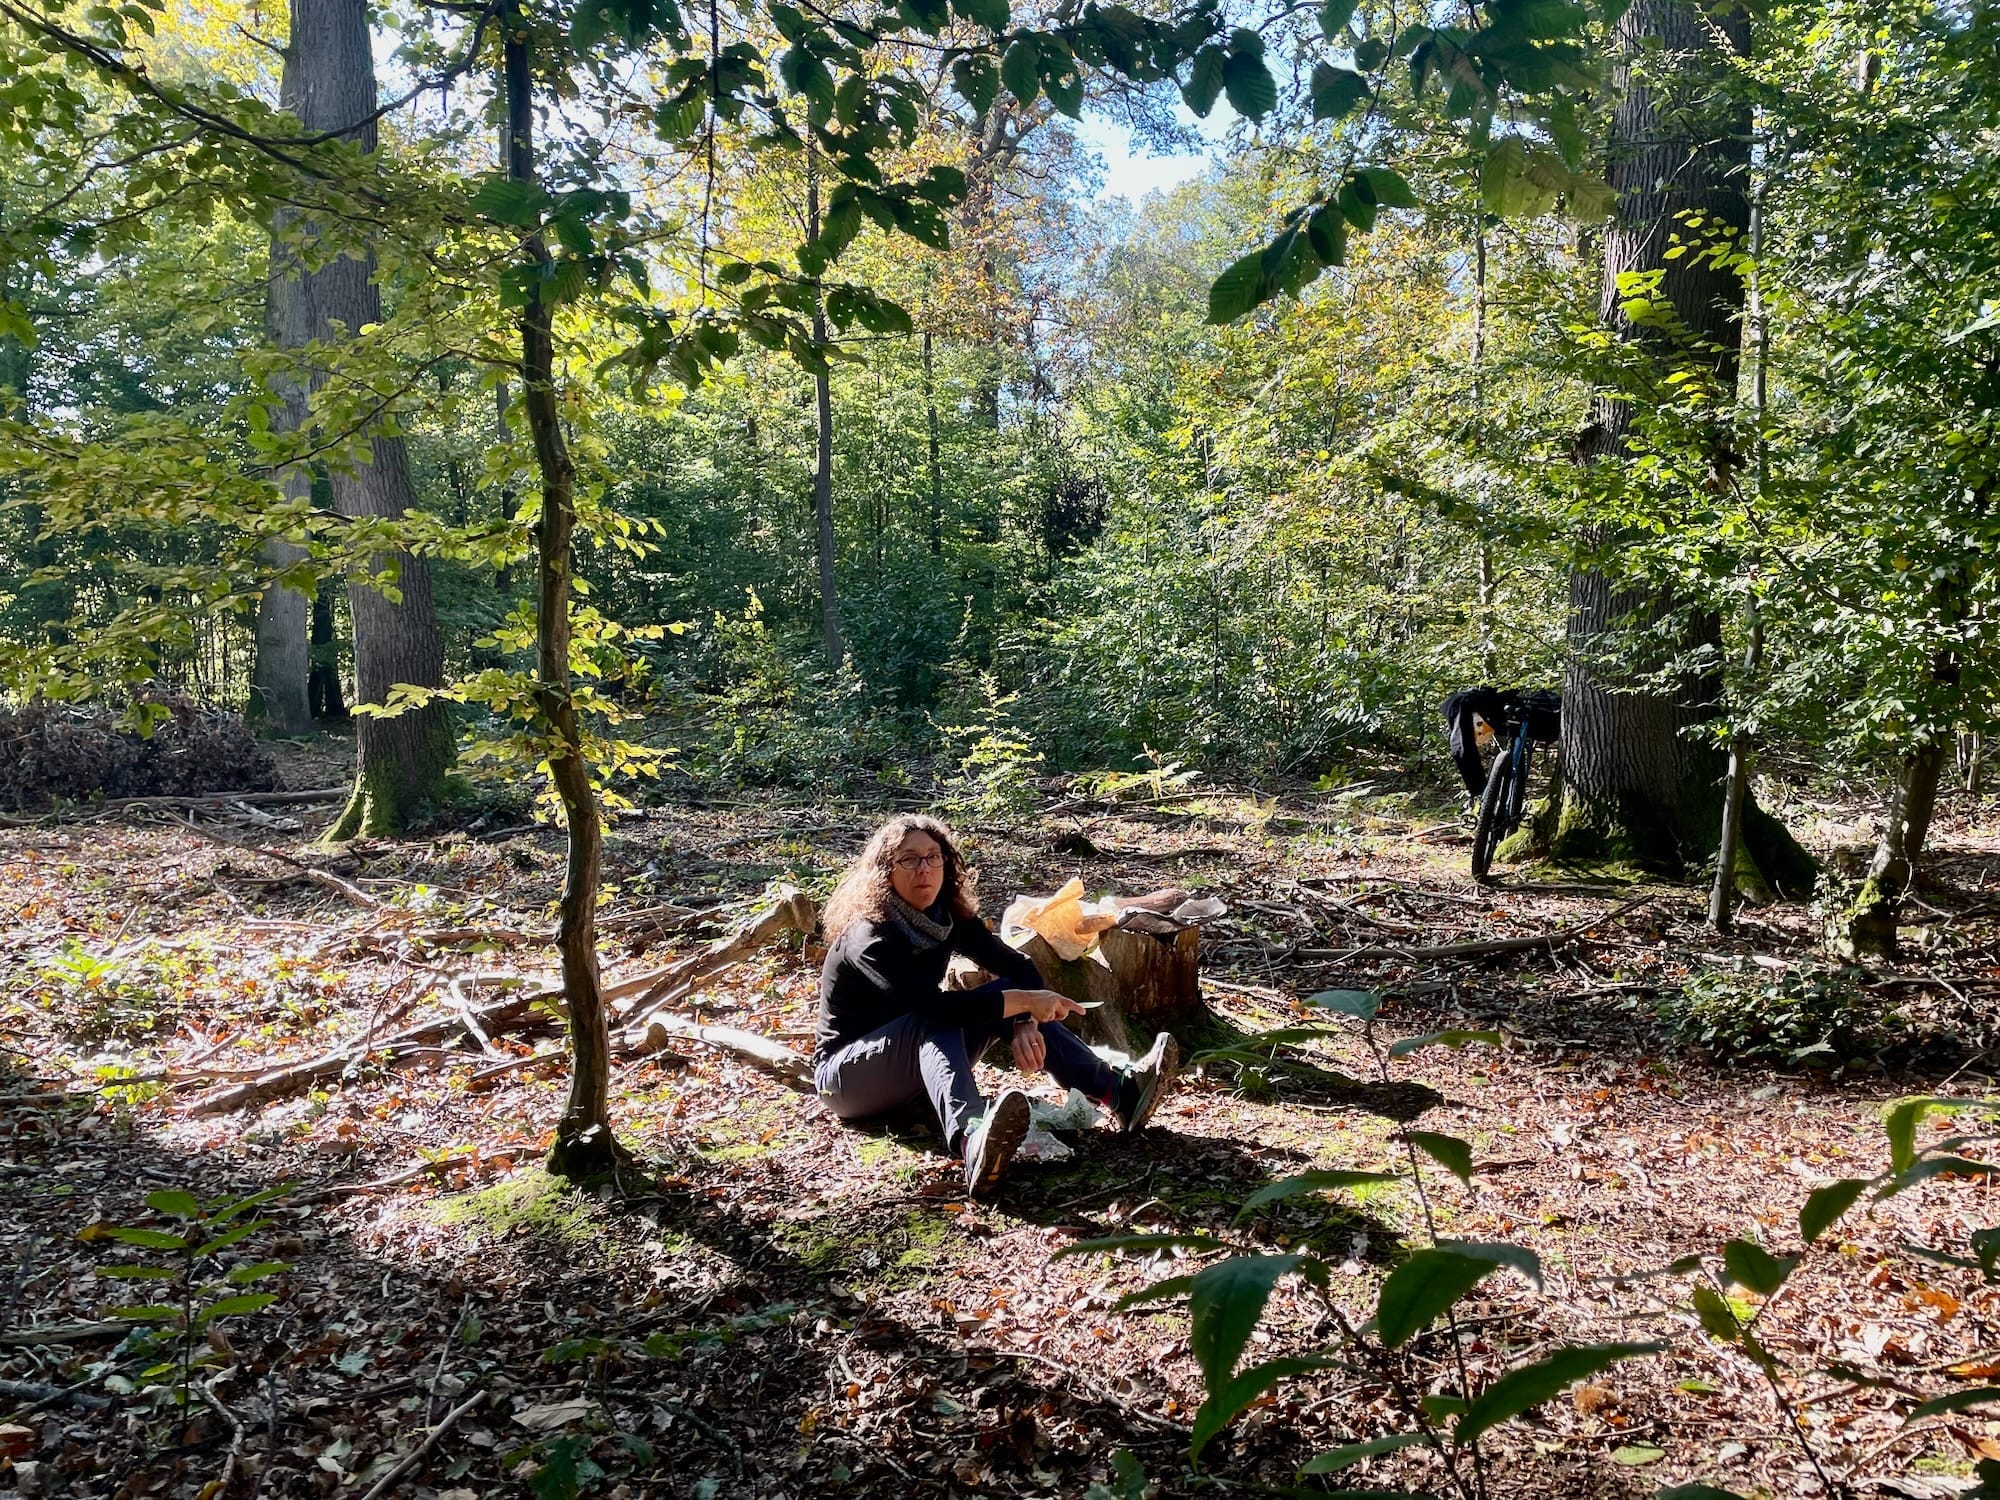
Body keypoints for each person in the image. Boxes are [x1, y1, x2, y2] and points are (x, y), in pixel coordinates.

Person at [814, 813, 1180, 1197]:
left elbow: (1016, 965)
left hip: (913, 1069)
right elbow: (930, 1009)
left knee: (995, 996)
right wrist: (1020, 1002)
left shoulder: (947, 917)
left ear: (947, 863)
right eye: (908, 859)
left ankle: (1120, 1092)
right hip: (848, 1079)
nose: (924, 869)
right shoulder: (869, 935)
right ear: (885, 872)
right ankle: (972, 1140)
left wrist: (1025, 1020)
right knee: (939, 1016)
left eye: (933, 857)